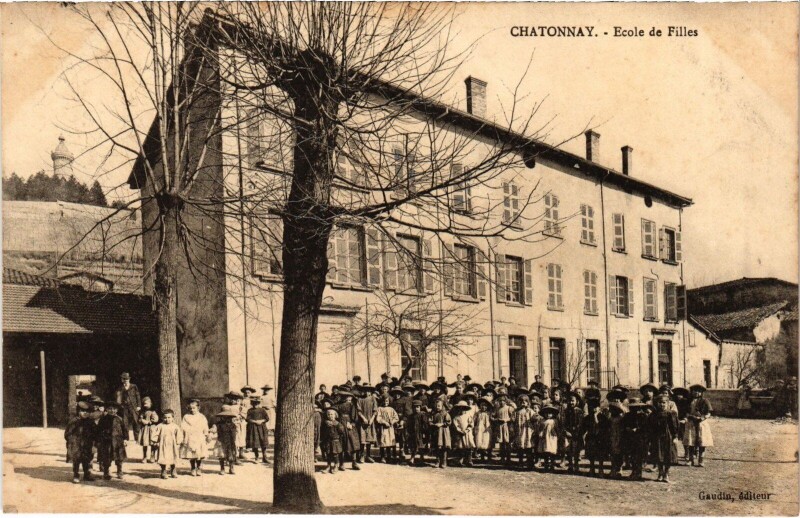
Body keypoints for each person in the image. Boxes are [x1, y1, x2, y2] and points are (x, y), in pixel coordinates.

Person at [65, 401, 97, 483]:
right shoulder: (74, 421)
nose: (85, 413)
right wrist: (71, 442)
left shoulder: (90, 422)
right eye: (82, 411)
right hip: (76, 445)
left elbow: (95, 434)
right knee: (76, 460)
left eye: (87, 411)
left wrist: (95, 445)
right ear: (78, 411)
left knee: (86, 459)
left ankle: (86, 474)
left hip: (87, 444)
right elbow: (67, 434)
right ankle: (76, 475)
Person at [650, 394, 679, 483]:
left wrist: (675, 436)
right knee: (659, 456)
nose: (661, 405)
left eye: (663, 403)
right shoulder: (654, 414)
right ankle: (660, 472)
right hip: (657, 437)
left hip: (668, 437)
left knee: (667, 456)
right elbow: (650, 426)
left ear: (667, 403)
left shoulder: (671, 413)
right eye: (659, 403)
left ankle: (666, 473)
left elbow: (675, 426)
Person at [96, 401, 127, 480]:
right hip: (107, 441)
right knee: (107, 457)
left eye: (114, 409)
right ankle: (106, 472)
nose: (112, 411)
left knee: (119, 457)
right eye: (110, 409)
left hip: (118, 441)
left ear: (116, 410)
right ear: (107, 409)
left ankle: (119, 471)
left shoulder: (119, 419)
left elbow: (124, 430)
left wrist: (125, 439)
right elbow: (99, 430)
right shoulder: (103, 419)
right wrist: (99, 440)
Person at [685, 384, 713, 467]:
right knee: (691, 442)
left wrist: (702, 418)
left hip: (701, 423)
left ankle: (701, 460)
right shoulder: (688, 401)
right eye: (694, 391)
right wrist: (690, 416)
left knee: (702, 442)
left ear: (701, 393)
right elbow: (685, 412)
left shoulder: (705, 401)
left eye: (699, 391)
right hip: (691, 423)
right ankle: (690, 459)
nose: (696, 393)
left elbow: (709, 413)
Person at [181, 398, 209, 476]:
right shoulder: (186, 417)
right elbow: (183, 426)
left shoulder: (201, 417)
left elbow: (205, 426)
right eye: (190, 408)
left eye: (194, 408)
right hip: (190, 437)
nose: (192, 410)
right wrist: (184, 435)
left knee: (198, 454)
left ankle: (199, 467)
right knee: (191, 454)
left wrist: (206, 434)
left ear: (198, 408)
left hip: (199, 437)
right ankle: (193, 467)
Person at [582, 394, 609, 477]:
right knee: (591, 454)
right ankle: (592, 468)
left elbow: (602, 427)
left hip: (600, 438)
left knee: (600, 454)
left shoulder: (602, 417)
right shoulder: (587, 418)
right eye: (591, 407)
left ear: (598, 408)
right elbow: (584, 428)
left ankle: (600, 469)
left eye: (595, 407)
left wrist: (595, 416)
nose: (593, 409)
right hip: (591, 438)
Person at [336, 390, 361, 470]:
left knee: (352, 442)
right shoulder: (337, 405)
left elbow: (355, 417)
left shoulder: (352, 405)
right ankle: (341, 463)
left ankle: (354, 462)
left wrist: (352, 424)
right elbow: (335, 415)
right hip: (340, 425)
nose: (346, 398)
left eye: (347, 396)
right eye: (343, 396)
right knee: (341, 443)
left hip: (349, 425)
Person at [561, 391, 585, 474]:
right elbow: (564, 422)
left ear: (577, 402)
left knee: (576, 450)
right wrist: (566, 431)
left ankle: (576, 465)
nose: (571, 402)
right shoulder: (566, 411)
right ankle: (570, 465)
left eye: (573, 401)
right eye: (570, 401)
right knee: (569, 450)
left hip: (576, 434)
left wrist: (576, 432)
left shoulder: (579, 411)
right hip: (568, 433)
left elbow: (580, 424)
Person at [115, 372, 142, 440]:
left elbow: (137, 396)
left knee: (136, 422)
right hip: (125, 408)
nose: (125, 380)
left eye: (126, 379)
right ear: (122, 380)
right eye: (124, 379)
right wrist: (120, 405)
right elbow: (118, 398)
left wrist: (139, 406)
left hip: (133, 407)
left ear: (129, 379)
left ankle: (137, 438)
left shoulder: (134, 386)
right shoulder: (120, 388)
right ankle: (126, 439)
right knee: (125, 423)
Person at [157, 409, 183, 479]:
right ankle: (163, 471)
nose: (167, 419)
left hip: (172, 445)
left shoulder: (175, 426)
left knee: (173, 456)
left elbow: (179, 435)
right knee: (163, 457)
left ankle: (173, 470)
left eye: (169, 417)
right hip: (163, 444)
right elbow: (155, 434)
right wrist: (156, 442)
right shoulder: (160, 426)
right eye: (165, 417)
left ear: (172, 418)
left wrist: (178, 443)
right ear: (162, 418)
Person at [214, 407, 239, 475]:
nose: (225, 418)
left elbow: (235, 433)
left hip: (230, 442)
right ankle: (222, 468)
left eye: (228, 417)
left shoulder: (233, 425)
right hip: (221, 441)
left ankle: (231, 467)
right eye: (223, 417)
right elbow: (214, 430)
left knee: (231, 455)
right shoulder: (218, 424)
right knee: (222, 456)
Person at [375, 395, 400, 463]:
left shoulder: (391, 409)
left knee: (389, 442)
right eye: (384, 401)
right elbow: (378, 418)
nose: (386, 402)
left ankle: (389, 456)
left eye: (387, 401)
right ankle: (382, 456)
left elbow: (396, 417)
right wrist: (384, 422)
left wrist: (393, 421)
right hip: (383, 428)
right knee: (383, 441)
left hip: (390, 428)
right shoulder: (379, 409)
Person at [320, 408, 345, 474]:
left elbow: (342, 431)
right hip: (328, 441)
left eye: (332, 414)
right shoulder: (325, 423)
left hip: (335, 441)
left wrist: (337, 427)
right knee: (328, 453)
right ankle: (328, 466)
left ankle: (336, 465)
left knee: (335, 454)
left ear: (335, 415)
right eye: (329, 414)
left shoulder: (338, 423)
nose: (330, 416)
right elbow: (323, 431)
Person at [513, 395, 536, 468]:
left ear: (528, 402)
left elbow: (534, 418)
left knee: (528, 446)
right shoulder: (516, 411)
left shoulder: (529, 410)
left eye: (525, 401)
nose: (523, 402)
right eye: (521, 401)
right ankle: (520, 461)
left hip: (528, 431)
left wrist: (535, 417)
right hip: (519, 431)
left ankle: (530, 462)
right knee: (520, 447)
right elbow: (513, 420)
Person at [356, 386, 378, 463]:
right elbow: (358, 411)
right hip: (362, 422)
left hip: (370, 422)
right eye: (365, 391)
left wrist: (372, 419)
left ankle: (368, 456)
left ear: (370, 392)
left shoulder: (373, 399)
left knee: (369, 439)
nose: (367, 393)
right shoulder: (360, 399)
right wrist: (363, 418)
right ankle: (361, 456)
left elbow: (375, 411)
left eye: (368, 391)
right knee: (362, 440)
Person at [246, 396, 270, 464]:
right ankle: (256, 457)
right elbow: (247, 419)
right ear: (251, 403)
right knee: (255, 443)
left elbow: (267, 418)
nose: (255, 405)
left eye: (257, 403)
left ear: (259, 403)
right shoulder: (250, 410)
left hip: (262, 427)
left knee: (263, 442)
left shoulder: (262, 410)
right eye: (254, 403)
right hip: (253, 428)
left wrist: (262, 421)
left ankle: (264, 457)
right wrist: (255, 421)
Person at [451, 400, 475, 466]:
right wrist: (460, 431)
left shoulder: (468, 416)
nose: (462, 410)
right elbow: (456, 426)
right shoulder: (456, 417)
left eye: (463, 408)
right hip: (460, 434)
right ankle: (460, 460)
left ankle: (469, 460)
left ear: (466, 409)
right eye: (460, 408)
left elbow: (471, 424)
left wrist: (467, 430)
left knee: (469, 447)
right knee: (460, 447)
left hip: (467, 433)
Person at [492, 392, 514, 465]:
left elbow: (513, 418)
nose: (502, 402)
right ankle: (502, 458)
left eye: (503, 401)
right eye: (500, 401)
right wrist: (496, 419)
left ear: (506, 401)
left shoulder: (509, 408)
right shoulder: (498, 409)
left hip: (506, 426)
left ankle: (508, 458)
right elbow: (492, 416)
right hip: (500, 427)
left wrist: (507, 420)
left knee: (507, 443)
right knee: (501, 443)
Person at [430, 398, 451, 468]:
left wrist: (442, 424)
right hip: (436, 432)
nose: (437, 407)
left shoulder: (445, 413)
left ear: (442, 406)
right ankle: (437, 461)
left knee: (444, 447)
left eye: (439, 406)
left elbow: (449, 422)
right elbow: (430, 421)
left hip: (443, 433)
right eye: (436, 405)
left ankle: (444, 461)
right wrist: (433, 424)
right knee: (437, 447)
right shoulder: (433, 413)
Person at [407, 399, 429, 465]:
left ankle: (421, 457)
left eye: (418, 407)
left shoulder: (423, 415)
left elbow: (425, 424)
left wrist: (425, 433)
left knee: (421, 446)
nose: (416, 409)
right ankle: (412, 457)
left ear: (420, 407)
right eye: (414, 407)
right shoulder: (411, 416)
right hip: (414, 433)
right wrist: (409, 433)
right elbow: (409, 425)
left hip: (421, 433)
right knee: (414, 446)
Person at [607, 401, 626, 478]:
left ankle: (619, 469)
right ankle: (613, 468)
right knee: (612, 453)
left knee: (619, 454)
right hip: (612, 436)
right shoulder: (610, 418)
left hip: (619, 436)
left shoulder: (621, 417)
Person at [538, 405, 559, 472]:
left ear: (553, 414)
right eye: (546, 413)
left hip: (552, 437)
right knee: (546, 452)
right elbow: (540, 428)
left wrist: (558, 434)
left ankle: (552, 465)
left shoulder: (554, 421)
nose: (548, 415)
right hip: (545, 438)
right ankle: (546, 465)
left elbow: (557, 429)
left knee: (552, 452)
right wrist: (540, 432)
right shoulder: (542, 421)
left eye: (550, 413)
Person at [138, 397, 159, 463]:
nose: (145, 405)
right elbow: (139, 419)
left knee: (152, 443)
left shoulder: (153, 412)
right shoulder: (142, 412)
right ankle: (144, 456)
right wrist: (141, 420)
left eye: (147, 404)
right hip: (145, 429)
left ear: (151, 404)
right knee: (145, 443)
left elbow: (156, 419)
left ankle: (152, 456)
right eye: (144, 404)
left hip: (151, 429)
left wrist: (149, 422)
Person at [473, 397, 493, 462]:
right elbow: (474, 421)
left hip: (487, 429)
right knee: (480, 442)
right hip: (479, 429)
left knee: (487, 442)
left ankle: (489, 457)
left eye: (485, 406)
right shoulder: (477, 413)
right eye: (482, 406)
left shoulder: (489, 413)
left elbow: (492, 420)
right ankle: (482, 457)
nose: (483, 407)